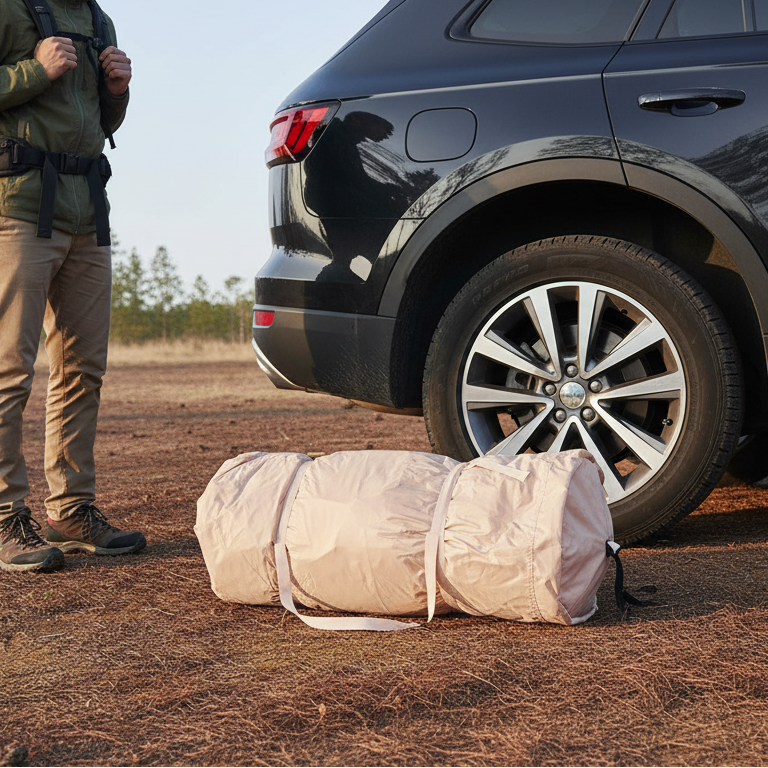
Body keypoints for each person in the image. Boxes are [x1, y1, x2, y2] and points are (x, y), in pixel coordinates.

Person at [0, 0, 145, 573]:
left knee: (82, 369)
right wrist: (35, 69)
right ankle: (5, 517)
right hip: (17, 210)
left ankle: (72, 510)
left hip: (88, 211)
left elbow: (101, 125)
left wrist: (116, 91)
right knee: (9, 371)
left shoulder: (96, 17)